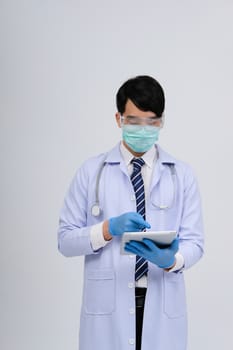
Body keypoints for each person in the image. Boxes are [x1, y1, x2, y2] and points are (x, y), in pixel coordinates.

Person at [57, 75, 204, 350]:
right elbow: (65, 241)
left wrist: (173, 259)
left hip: (161, 303)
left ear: (161, 121)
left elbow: (196, 242)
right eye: (135, 121)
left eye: (152, 122)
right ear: (119, 119)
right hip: (107, 309)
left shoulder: (181, 175)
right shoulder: (92, 172)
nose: (143, 129)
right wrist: (106, 229)